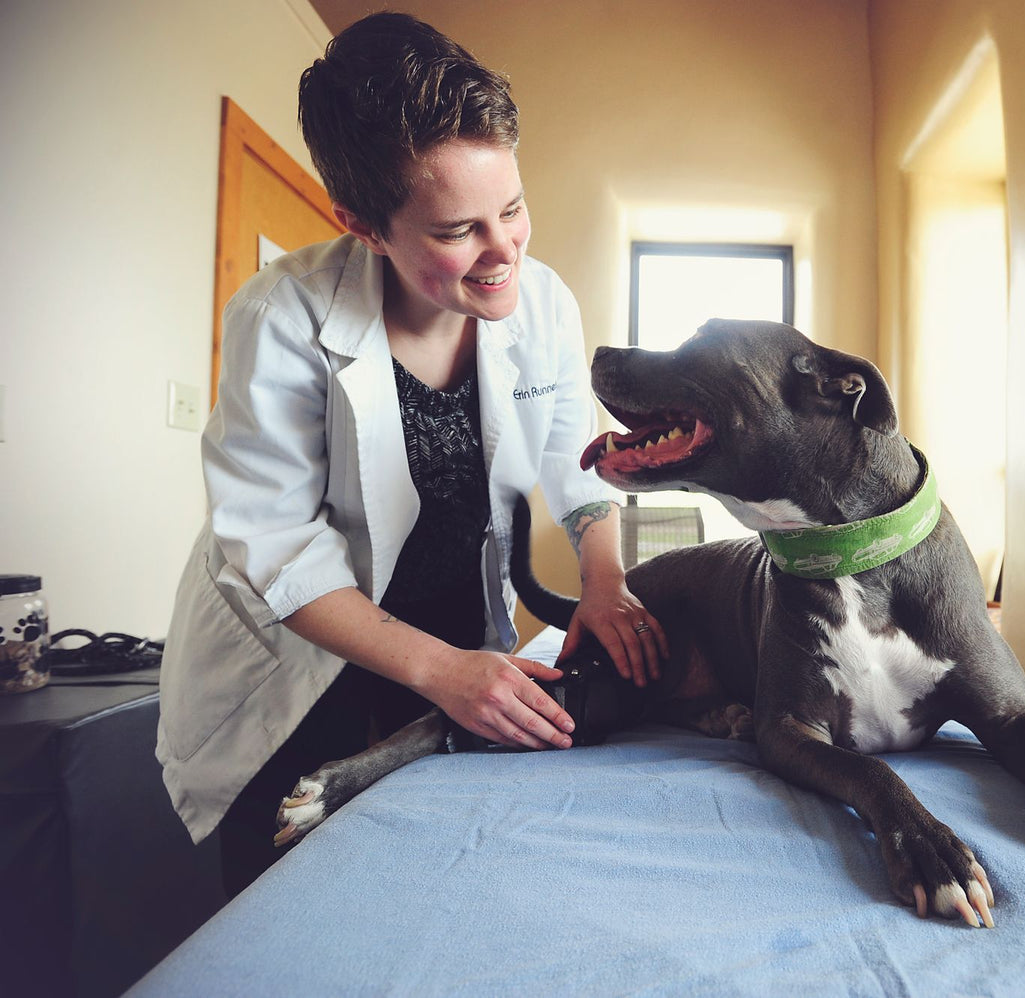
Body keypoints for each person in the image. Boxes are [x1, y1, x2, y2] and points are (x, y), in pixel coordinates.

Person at [157, 11, 665, 897]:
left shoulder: (540, 302)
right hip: (302, 673)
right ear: (362, 224)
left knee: (434, 891)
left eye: (512, 208)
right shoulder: (284, 319)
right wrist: (439, 670)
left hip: (456, 654)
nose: (504, 249)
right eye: (457, 230)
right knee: (287, 901)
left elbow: (570, 458)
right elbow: (276, 545)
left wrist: (604, 578)